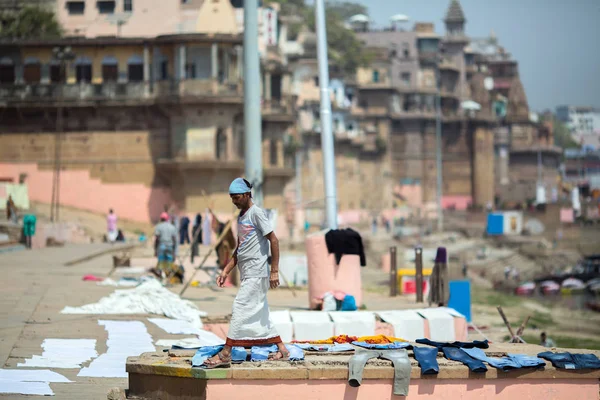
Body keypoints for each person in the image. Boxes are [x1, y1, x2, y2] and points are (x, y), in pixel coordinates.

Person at [202, 178, 287, 368]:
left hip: (258, 272)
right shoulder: (242, 216)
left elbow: (273, 240)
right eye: (231, 198)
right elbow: (240, 249)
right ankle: (283, 349)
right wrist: (225, 271)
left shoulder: (257, 213)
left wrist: (274, 270)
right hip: (247, 272)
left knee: (239, 306)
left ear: (247, 195)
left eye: (237, 197)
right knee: (262, 314)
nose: (234, 201)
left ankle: (226, 353)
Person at [154, 212, 178, 277]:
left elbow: (157, 239)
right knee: (169, 263)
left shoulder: (158, 227)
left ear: (161, 219)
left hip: (162, 246)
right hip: (170, 246)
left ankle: (161, 277)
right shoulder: (172, 227)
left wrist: (155, 250)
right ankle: (169, 277)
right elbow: (174, 240)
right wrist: (174, 251)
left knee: (161, 263)